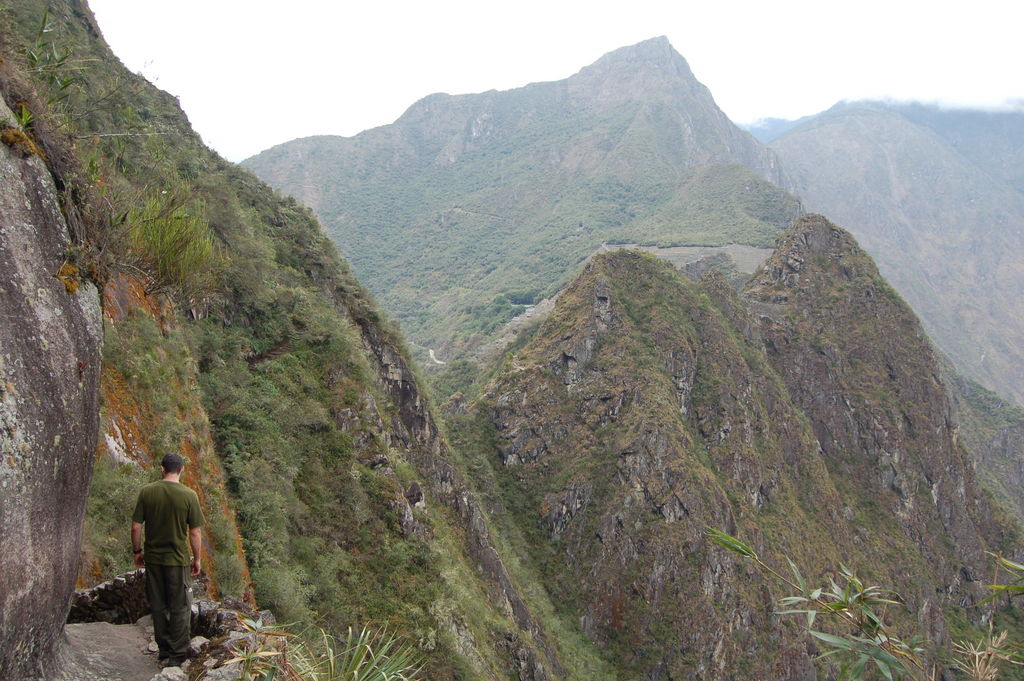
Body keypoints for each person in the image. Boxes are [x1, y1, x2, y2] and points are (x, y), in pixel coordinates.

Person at [131, 453, 205, 668]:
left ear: (162, 469)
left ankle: (163, 650)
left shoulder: (147, 492)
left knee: (158, 604)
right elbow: (195, 532)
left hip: (153, 559)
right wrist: (197, 558)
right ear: (181, 470)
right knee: (180, 606)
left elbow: (136, 526)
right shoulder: (189, 495)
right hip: (177, 559)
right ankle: (178, 653)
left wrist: (137, 551)